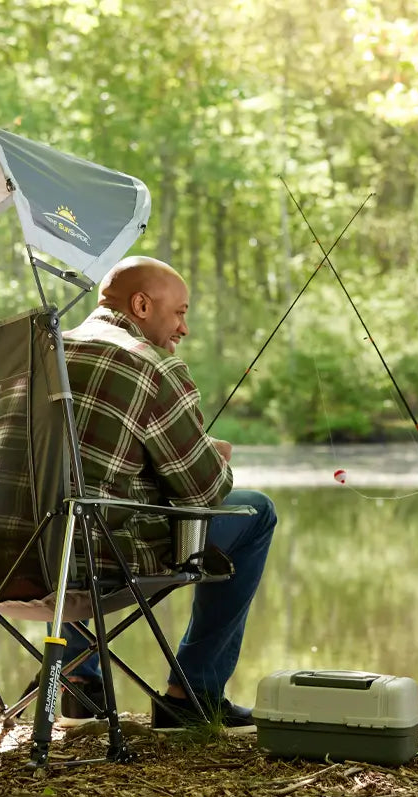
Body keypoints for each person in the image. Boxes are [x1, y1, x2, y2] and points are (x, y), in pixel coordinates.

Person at [46, 255, 277, 733]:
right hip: (99, 560)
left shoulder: (35, 357)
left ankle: (78, 686)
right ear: (142, 305)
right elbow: (206, 491)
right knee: (256, 512)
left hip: (7, 560)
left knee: (69, 510)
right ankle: (191, 697)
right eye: (180, 312)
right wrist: (211, 453)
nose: (184, 328)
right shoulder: (149, 365)